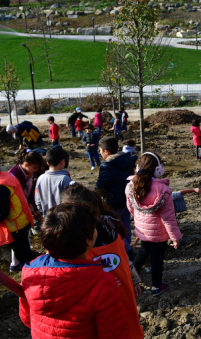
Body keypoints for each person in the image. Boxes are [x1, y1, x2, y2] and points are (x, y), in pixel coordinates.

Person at [19, 203, 130, 339]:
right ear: (88, 240)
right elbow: (115, 334)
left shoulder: (30, 272)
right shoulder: (103, 284)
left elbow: (26, 318)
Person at [60, 184, 144, 339]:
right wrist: (133, 279)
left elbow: (122, 256)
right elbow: (123, 256)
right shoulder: (111, 222)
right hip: (119, 287)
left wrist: (133, 279)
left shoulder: (77, 235)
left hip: (102, 295)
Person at [126, 152, 182, 296]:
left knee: (142, 252)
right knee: (157, 259)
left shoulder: (131, 186)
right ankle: (157, 287)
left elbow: (131, 209)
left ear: (138, 167)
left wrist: (140, 221)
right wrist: (176, 238)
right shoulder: (163, 190)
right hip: (158, 234)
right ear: (158, 170)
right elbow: (168, 218)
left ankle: (129, 280)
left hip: (143, 231)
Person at [96, 136, 137, 258]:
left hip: (113, 202)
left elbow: (101, 186)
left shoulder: (106, 165)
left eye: (100, 151)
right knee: (125, 224)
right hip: (127, 199)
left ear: (106, 151)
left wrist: (95, 195)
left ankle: (127, 251)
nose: (100, 153)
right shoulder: (127, 159)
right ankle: (127, 245)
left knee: (115, 227)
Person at [1, 165, 39, 273]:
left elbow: (2, 212)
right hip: (21, 220)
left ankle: (35, 274)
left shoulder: (1, 186)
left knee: (23, 254)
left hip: (15, 224)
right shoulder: (6, 177)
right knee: (24, 251)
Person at [35, 147, 71, 216]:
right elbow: (70, 201)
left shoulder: (40, 178)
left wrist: (42, 212)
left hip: (47, 217)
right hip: (62, 218)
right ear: (62, 162)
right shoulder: (65, 179)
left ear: (47, 163)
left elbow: (38, 200)